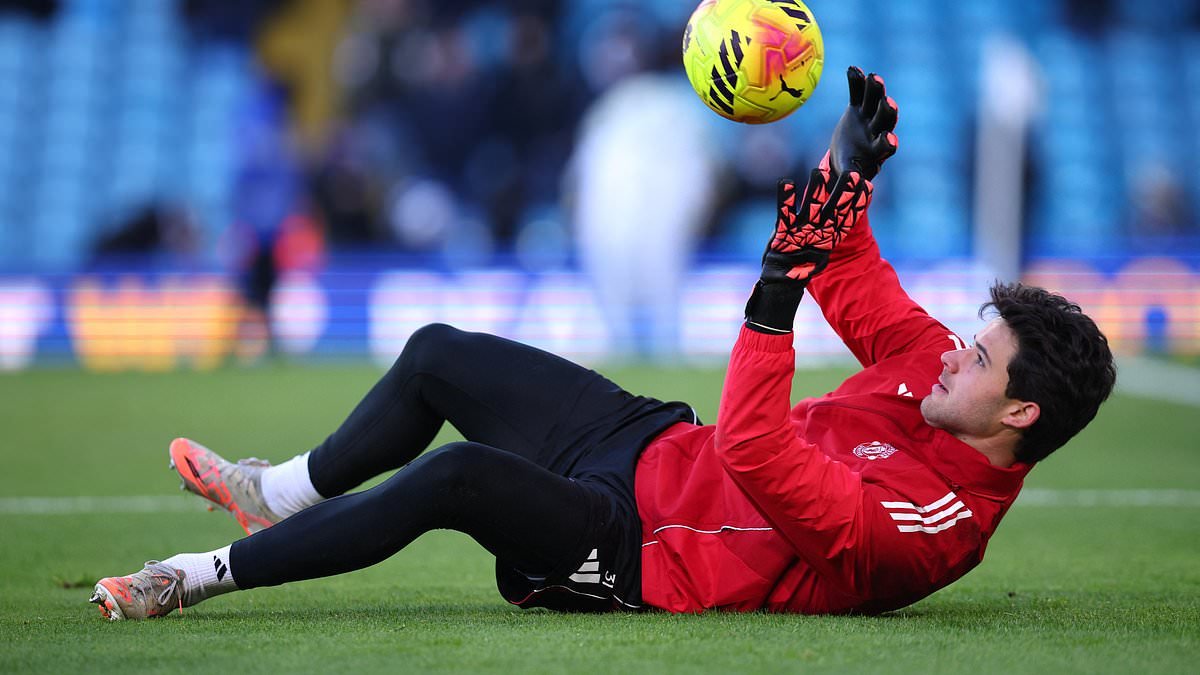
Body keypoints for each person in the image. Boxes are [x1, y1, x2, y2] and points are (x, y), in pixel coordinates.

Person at [89, 67, 1116, 620]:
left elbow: (759, 452)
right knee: (440, 351)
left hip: (640, 553)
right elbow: (850, 271)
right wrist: (845, 173)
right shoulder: (938, 378)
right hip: (656, 447)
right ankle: (274, 497)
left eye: (977, 358)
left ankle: (198, 574)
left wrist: (771, 296)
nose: (948, 354)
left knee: (458, 480)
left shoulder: (929, 527)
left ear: (1019, 415)